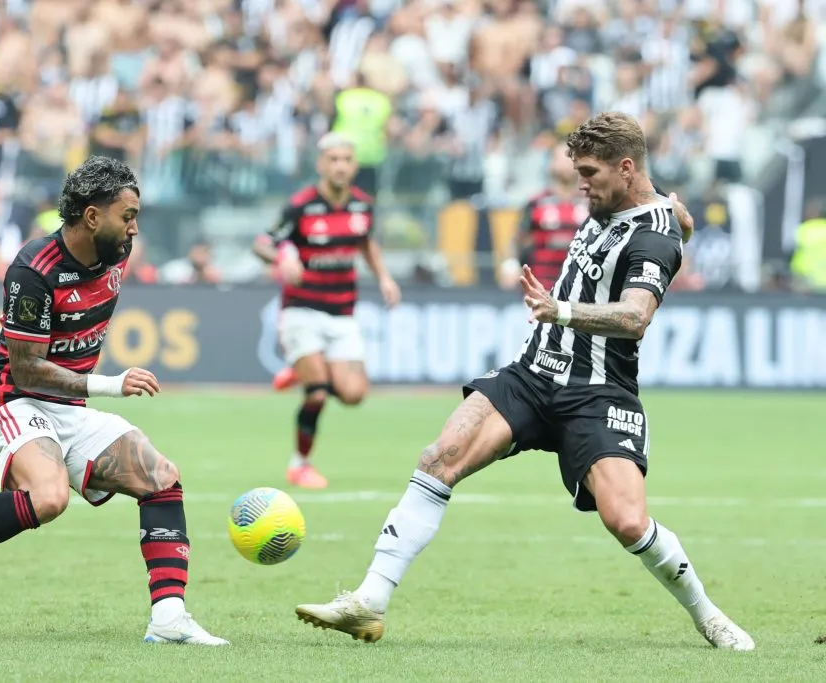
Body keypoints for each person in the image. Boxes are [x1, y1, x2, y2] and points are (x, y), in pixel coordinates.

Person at [295, 113, 754, 651]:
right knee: (440, 456)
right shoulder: (637, 206)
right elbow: (682, 222)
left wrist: (559, 310)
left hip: (599, 392)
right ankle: (369, 601)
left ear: (626, 169)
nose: (580, 184)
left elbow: (634, 317)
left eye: (589, 173)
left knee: (628, 522)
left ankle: (708, 615)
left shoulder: (654, 237)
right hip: (534, 374)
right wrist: (685, 225)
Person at [0, 156, 227, 647]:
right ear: (91, 216)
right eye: (126, 215)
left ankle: (169, 617)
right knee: (49, 497)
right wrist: (111, 383)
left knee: (161, 479)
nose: (134, 227)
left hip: (67, 408)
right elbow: (26, 368)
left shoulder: (118, 251)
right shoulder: (32, 270)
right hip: (14, 402)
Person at [252, 133, 401, 490]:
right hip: (302, 309)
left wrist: (384, 277)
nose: (339, 165)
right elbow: (262, 243)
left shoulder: (362, 206)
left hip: (342, 313)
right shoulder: (301, 205)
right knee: (317, 393)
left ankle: (302, 369)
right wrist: (282, 259)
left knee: (353, 395)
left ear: (354, 165)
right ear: (321, 164)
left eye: (345, 159)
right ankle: (300, 463)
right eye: (332, 159)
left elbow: (366, 242)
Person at [499, 141, 590, 291]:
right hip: (542, 289)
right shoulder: (537, 202)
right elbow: (517, 239)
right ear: (550, 164)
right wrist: (510, 263)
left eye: (571, 157)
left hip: (580, 292)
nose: (566, 162)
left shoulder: (592, 204)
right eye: (560, 157)